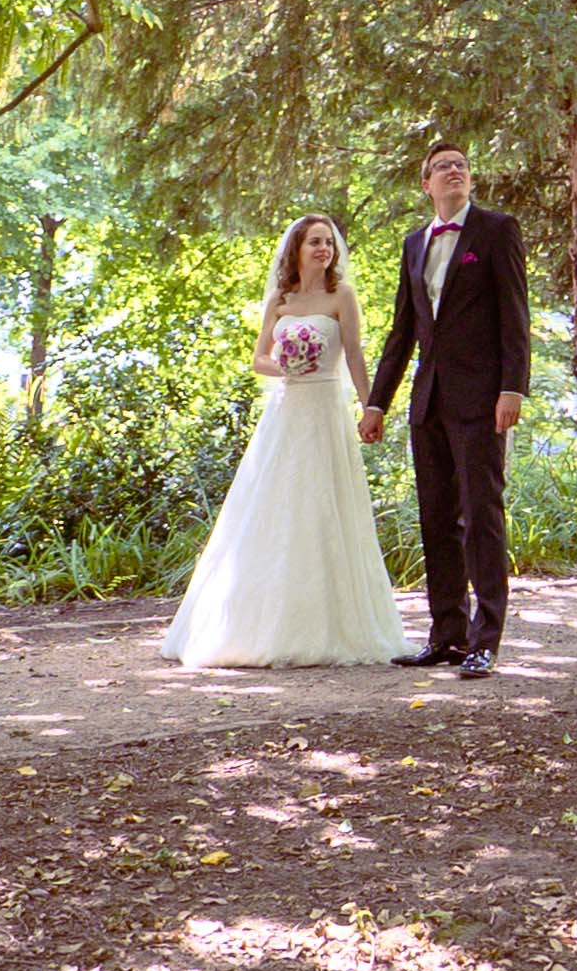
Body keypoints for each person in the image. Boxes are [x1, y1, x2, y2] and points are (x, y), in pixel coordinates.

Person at [160, 218, 405, 670]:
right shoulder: (281, 299)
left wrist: (372, 408)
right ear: (296, 248)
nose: (324, 249)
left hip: (326, 410)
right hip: (287, 412)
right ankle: (259, 625)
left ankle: (332, 625)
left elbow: (353, 354)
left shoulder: (341, 296)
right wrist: (285, 367)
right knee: (274, 506)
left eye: (329, 243)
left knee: (324, 505)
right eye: (315, 242)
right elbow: (259, 359)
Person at [362, 142, 529, 670]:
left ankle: (485, 643)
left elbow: (514, 315)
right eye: (442, 167)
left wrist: (512, 388)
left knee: (482, 516)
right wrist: (376, 404)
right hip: (427, 401)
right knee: (437, 519)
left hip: (482, 400)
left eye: (461, 165)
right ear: (426, 184)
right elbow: (402, 332)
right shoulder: (415, 244)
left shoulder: (496, 230)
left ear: (469, 179)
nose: (454, 171)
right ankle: (447, 634)